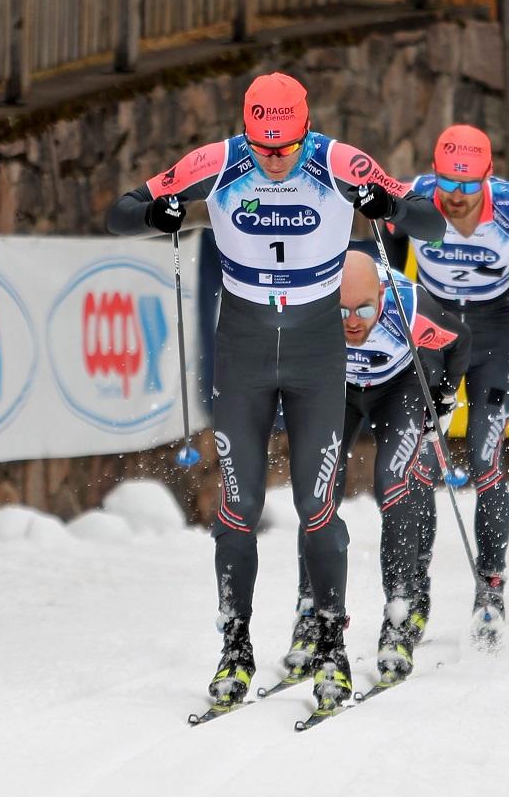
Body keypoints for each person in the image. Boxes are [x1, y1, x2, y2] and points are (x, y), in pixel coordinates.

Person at [106, 72, 446, 711]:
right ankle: (234, 647)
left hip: (318, 352)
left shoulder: (338, 161)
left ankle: (331, 647)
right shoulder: (218, 162)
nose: (273, 159)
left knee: (319, 508)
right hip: (245, 348)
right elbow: (119, 212)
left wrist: (387, 205)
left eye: (284, 145)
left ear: (304, 129)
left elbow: (429, 219)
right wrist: (156, 212)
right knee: (240, 507)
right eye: (263, 146)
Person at [383, 124, 509, 638]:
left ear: (488, 176)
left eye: (468, 186)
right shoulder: (415, 197)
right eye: (447, 184)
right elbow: (388, 233)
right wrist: (397, 288)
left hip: (492, 334)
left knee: (487, 461)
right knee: (419, 462)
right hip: (433, 331)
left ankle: (490, 588)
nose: (456, 197)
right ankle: (414, 593)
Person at [287, 251, 470, 682]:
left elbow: (460, 339)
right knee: (319, 490)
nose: (352, 321)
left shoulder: (411, 307)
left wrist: (444, 395)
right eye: (342, 311)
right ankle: (311, 611)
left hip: (398, 388)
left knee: (393, 482)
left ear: (381, 297)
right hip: (339, 388)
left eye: (364, 310)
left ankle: (399, 613)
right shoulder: (310, 301)